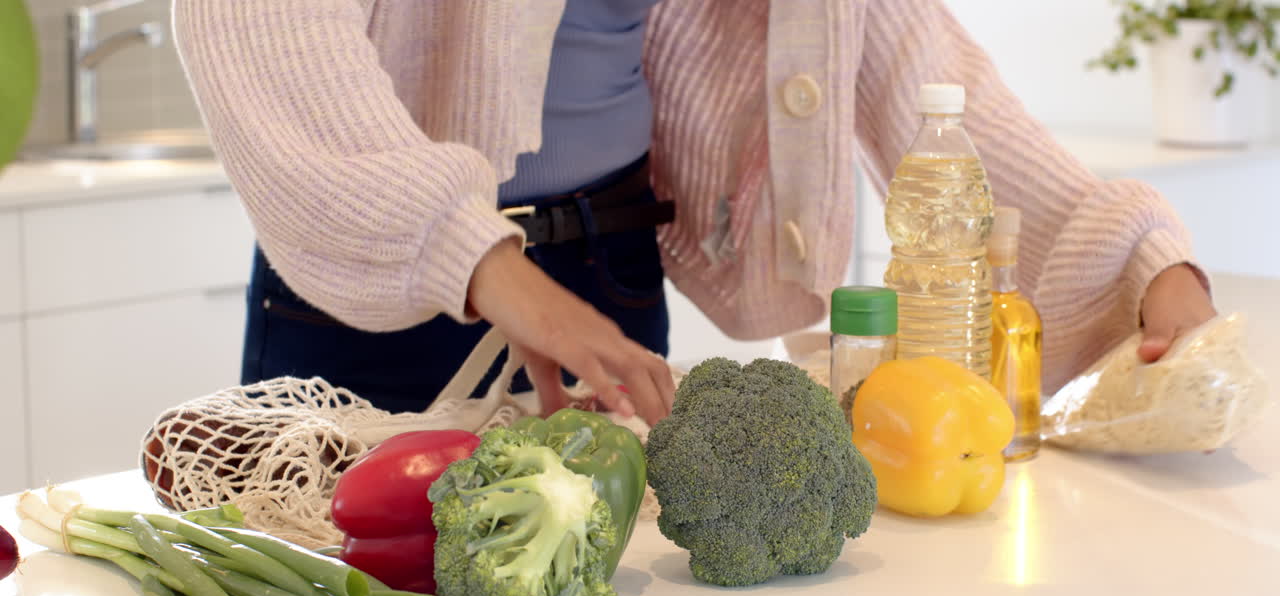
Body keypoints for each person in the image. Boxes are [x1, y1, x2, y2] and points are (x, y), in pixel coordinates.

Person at [172, 0, 1215, 428]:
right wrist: (477, 261)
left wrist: (1135, 257)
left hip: (606, 284)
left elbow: (920, 69)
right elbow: (264, 32)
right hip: (382, 293)